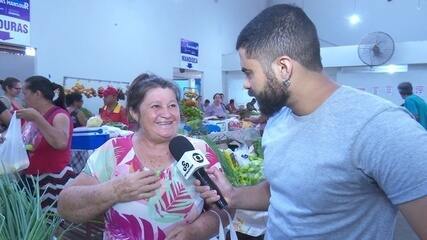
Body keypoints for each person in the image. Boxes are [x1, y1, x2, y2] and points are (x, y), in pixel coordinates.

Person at [196, 4, 427, 240]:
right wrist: (233, 195)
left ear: (283, 68)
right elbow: (281, 192)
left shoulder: (381, 128)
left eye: (249, 72)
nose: (245, 84)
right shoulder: (278, 119)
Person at [58, 73, 231, 239]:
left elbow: (227, 207)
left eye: (172, 105)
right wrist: (114, 191)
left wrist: (197, 231)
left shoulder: (199, 150)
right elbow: (65, 206)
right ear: (134, 112)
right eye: (156, 106)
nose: (167, 113)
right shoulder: (113, 151)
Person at [17, 76, 74, 211]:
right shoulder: (32, 116)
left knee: (49, 224)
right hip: (31, 176)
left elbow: (60, 143)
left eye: (25, 93)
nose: (24, 98)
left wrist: (37, 118)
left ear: (38, 93)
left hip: (52, 178)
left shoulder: (59, 115)